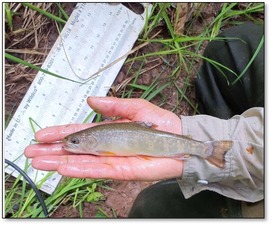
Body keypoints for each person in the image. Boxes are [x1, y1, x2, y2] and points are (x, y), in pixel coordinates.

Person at [24, 22, 264, 218]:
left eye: (75, 142)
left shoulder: (100, 143)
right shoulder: (98, 142)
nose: (71, 145)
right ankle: (221, 134)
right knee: (232, 44)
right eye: (75, 142)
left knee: (150, 208)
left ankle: (213, 149)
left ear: (90, 140)